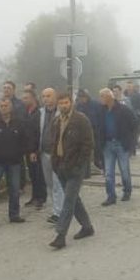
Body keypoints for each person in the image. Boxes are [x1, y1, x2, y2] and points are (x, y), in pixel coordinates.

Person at [49, 91, 95, 249]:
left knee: (68, 200)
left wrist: (79, 165)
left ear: (71, 103)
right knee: (74, 199)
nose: (63, 105)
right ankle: (87, 227)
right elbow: (53, 144)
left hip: (75, 167)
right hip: (60, 166)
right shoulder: (56, 121)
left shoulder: (81, 120)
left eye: (66, 102)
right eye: (60, 103)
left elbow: (88, 145)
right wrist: (54, 163)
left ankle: (60, 235)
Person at [0, 98, 30, 226]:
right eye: (1, 105)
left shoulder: (19, 123)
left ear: (11, 107)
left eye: (6, 105)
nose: (4, 108)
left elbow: (25, 141)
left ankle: (14, 215)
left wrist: (20, 153)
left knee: (14, 189)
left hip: (15, 162)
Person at [98, 88, 137, 206]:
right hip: (107, 145)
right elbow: (98, 127)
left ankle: (127, 191)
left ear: (110, 97)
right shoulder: (101, 111)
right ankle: (111, 196)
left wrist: (131, 142)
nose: (101, 99)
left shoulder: (123, 109)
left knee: (124, 170)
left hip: (121, 143)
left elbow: (134, 123)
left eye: (102, 96)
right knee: (108, 172)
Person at [39, 88, 64, 224]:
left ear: (55, 97)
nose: (46, 99)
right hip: (44, 152)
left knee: (57, 183)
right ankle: (56, 208)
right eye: (43, 96)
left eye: (48, 96)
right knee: (49, 183)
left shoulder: (61, 112)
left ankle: (58, 213)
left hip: (58, 154)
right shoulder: (41, 113)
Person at [22, 89, 46, 207]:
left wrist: (35, 150)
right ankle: (34, 196)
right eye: (23, 98)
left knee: (38, 174)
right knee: (32, 174)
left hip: (36, 148)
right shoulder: (26, 112)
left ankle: (41, 197)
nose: (24, 100)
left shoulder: (40, 113)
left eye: (26, 98)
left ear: (33, 98)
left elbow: (38, 132)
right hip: (27, 147)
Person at [75, 89, 104, 176]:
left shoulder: (96, 104)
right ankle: (87, 170)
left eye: (83, 97)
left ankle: (98, 165)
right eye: (80, 97)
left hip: (95, 130)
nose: (82, 99)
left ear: (87, 96)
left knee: (97, 149)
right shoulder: (78, 106)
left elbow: (101, 117)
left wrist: (99, 129)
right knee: (86, 150)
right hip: (82, 132)